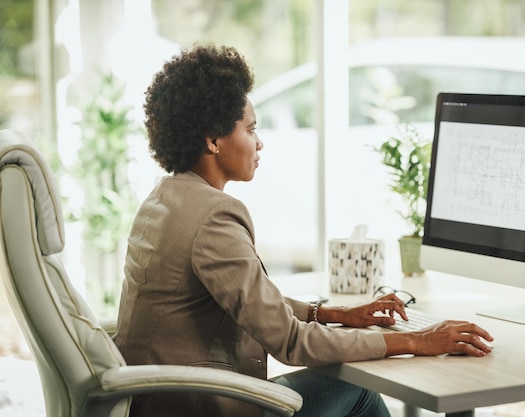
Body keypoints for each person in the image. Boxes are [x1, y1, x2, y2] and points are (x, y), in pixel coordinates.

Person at [113, 43, 494, 417]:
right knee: (359, 390)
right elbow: (289, 342)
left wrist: (336, 314)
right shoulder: (215, 215)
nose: (259, 142)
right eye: (251, 129)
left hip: (155, 400)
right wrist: (416, 339)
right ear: (212, 140)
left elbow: (253, 303)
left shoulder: (165, 198)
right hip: (202, 405)